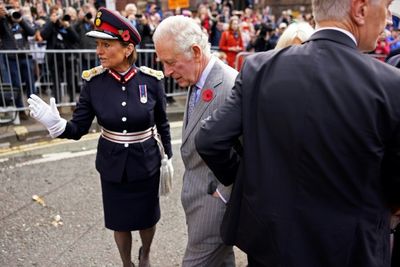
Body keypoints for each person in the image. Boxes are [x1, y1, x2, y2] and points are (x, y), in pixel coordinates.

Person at [195, 0, 400, 266]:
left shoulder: (259, 68)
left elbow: (210, 139)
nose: (387, 21)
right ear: (360, 10)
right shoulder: (389, 84)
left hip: (270, 240)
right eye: (384, 8)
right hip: (348, 248)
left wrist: (252, 180)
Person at [28, 7, 172, 267]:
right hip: (113, 164)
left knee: (148, 218)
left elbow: (162, 122)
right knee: (120, 221)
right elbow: (78, 128)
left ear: (127, 49)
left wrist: (168, 158)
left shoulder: (151, 82)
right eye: (98, 45)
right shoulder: (94, 84)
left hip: (146, 162)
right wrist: (57, 125)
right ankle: (126, 262)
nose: (99, 52)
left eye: (106, 45)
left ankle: (146, 254)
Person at [153, 15, 238, 267]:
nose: (166, 72)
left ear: (196, 52)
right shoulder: (195, 77)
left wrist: (223, 197)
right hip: (198, 203)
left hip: (215, 209)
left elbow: (249, 152)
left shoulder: (231, 85)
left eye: (170, 62)